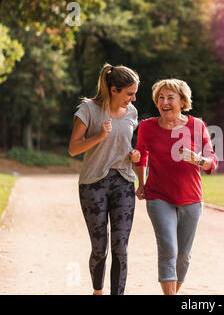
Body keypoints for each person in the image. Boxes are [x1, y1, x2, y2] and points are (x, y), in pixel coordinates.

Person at [134, 78, 218, 295]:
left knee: (183, 255)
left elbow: (212, 162)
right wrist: (141, 184)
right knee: (168, 250)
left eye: (170, 97)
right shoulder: (147, 127)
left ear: (182, 101)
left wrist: (197, 159)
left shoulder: (197, 126)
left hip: (191, 198)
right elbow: (141, 157)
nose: (164, 102)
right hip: (158, 196)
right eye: (160, 98)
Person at [68, 63, 141, 295]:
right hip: (93, 184)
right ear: (113, 90)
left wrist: (134, 154)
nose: (133, 98)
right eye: (129, 93)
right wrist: (99, 136)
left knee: (121, 247)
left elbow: (125, 144)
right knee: (100, 248)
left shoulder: (132, 113)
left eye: (134, 93)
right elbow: (73, 149)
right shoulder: (88, 109)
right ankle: (97, 291)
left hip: (123, 181)